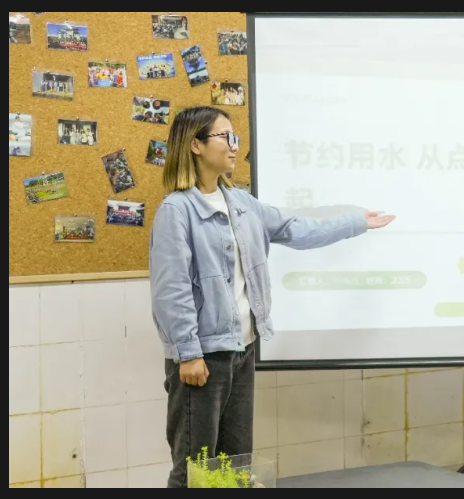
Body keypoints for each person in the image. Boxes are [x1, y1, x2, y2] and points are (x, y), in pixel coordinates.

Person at [150, 106, 395, 488]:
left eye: (235, 137)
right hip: (203, 358)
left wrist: (356, 222)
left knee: (235, 465)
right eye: (225, 137)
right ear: (195, 145)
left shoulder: (242, 204)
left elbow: (296, 228)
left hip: (242, 350)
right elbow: (171, 288)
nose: (234, 146)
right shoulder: (177, 210)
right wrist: (188, 352)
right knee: (194, 470)